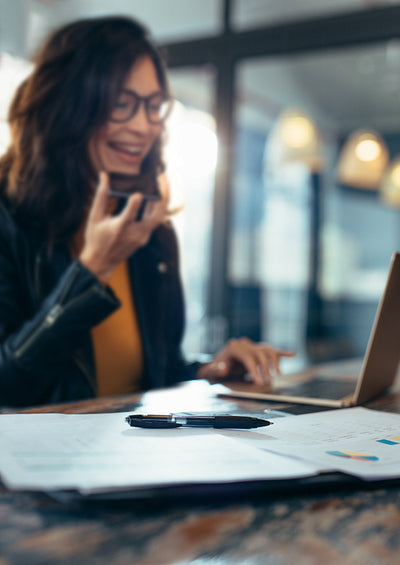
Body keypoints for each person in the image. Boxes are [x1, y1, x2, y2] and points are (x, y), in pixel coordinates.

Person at [0, 15, 294, 408]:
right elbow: (7, 385)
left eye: (154, 106)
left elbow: (157, 374)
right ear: (67, 106)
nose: (144, 126)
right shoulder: (8, 216)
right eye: (122, 103)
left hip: (130, 461)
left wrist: (210, 372)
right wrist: (90, 272)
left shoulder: (150, 230)